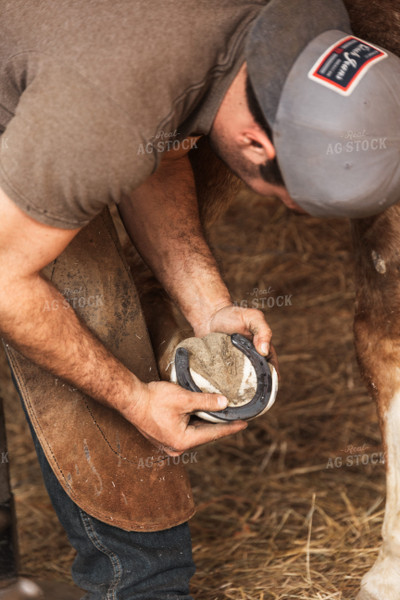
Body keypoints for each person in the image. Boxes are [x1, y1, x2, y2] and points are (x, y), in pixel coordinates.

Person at [0, 0, 399, 598]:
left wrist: (209, 305)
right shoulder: (100, 113)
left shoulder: (294, 23)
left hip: (87, 79)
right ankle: (137, 584)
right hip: (63, 93)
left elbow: (157, 141)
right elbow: (5, 281)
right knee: (80, 303)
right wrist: (134, 399)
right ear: (256, 144)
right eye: (281, 197)